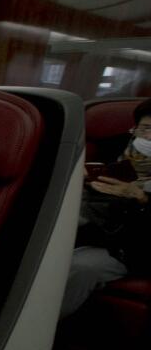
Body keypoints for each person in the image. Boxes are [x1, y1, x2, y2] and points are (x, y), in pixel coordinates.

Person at [60, 98, 151, 319]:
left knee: (80, 267)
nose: (149, 137)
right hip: (84, 223)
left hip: (128, 249)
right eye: (146, 128)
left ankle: (38, 326)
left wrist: (140, 199)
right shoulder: (112, 147)